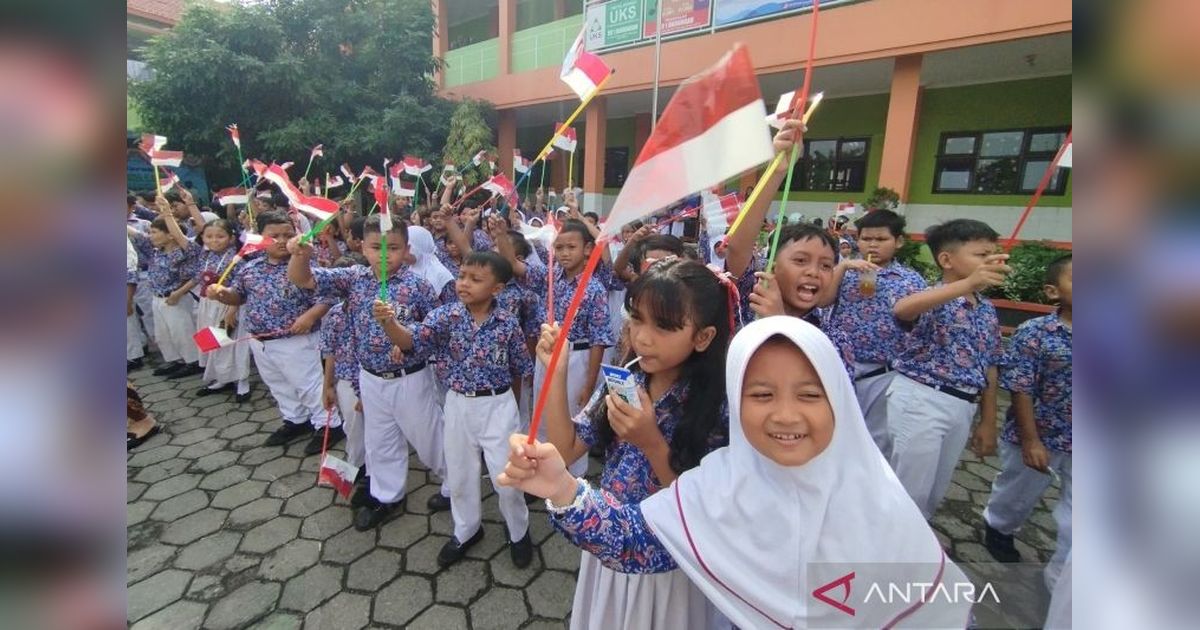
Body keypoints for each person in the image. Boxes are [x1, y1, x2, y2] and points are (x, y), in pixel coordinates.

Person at [499, 317, 972, 629]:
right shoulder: (720, 483)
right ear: (736, 402)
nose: (786, 416)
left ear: (842, 401)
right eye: (762, 395)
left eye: (810, 395)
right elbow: (637, 541)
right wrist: (561, 487)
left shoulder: (884, 505)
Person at [537, 258, 735, 629]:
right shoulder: (625, 378)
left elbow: (701, 510)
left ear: (703, 337)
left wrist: (651, 442)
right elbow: (565, 451)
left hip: (666, 562)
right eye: (637, 317)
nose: (642, 337)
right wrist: (555, 373)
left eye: (664, 326)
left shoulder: (717, 406)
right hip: (608, 543)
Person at [287, 215, 452, 531]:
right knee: (380, 441)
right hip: (370, 377)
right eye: (376, 247)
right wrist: (300, 255)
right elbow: (303, 280)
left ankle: (453, 484)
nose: (385, 255)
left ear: (406, 250)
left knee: (429, 438)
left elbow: (435, 329)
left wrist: (408, 340)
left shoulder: (418, 286)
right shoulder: (353, 279)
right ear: (362, 247)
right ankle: (387, 495)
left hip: (410, 376)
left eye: (394, 247)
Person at [385, 251, 536, 568]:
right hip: (457, 404)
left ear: (496, 288)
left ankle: (518, 531)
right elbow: (410, 341)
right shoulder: (444, 317)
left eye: (475, 279)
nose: (464, 284)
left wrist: (514, 412)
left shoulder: (507, 323)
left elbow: (520, 368)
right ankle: (467, 529)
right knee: (461, 473)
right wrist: (389, 323)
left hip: (498, 405)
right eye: (462, 276)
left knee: (506, 478)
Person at [887, 219, 1010, 518]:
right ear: (946, 260)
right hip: (922, 399)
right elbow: (903, 309)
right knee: (909, 489)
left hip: (963, 405)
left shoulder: (985, 308)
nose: (990, 261)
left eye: (993, 254)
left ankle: (917, 547)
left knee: (934, 490)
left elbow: (991, 365)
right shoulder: (934, 297)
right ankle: (890, 552)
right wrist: (965, 285)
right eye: (981, 255)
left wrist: (988, 420)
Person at [207, 210, 343, 452]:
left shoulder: (305, 265)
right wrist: (223, 294)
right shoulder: (250, 268)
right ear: (261, 237)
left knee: (308, 384)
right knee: (278, 383)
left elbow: (329, 296)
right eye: (274, 235)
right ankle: (295, 419)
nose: (281, 240)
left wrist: (309, 316)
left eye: (287, 234)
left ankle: (328, 425)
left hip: (297, 338)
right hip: (260, 339)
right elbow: (239, 296)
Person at [982, 254, 1072, 590]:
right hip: (1039, 434)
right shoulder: (1035, 333)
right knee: (1017, 493)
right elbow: (1021, 388)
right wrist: (1031, 440)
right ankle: (999, 525)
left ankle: (1061, 586)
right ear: (1052, 291)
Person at [822, 209, 927, 457]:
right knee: (833, 428)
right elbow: (823, 300)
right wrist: (844, 266)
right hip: (841, 364)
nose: (873, 244)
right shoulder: (844, 271)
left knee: (876, 438)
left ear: (898, 241)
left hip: (885, 371)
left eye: (881, 239)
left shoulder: (910, 280)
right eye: (866, 238)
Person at [524, 220, 615, 474]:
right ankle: (544, 470)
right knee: (543, 412)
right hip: (548, 353)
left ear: (587, 249)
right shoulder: (553, 278)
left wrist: (589, 385)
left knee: (570, 415)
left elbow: (599, 339)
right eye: (559, 247)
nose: (564, 253)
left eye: (571, 247)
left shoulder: (593, 288)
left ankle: (572, 478)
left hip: (576, 358)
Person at [127, 195, 203, 379]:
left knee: (182, 333)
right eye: (150, 232)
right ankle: (175, 360)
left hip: (176, 298)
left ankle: (193, 362)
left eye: (155, 232)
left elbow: (196, 275)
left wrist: (167, 213)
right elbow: (134, 234)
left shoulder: (185, 252)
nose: (150, 236)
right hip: (158, 298)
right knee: (164, 334)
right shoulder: (154, 251)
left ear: (169, 234)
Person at [321, 253, 369, 506]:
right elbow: (330, 352)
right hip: (346, 380)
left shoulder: (378, 310)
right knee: (353, 427)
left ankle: (375, 475)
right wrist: (328, 385)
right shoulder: (336, 315)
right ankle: (356, 466)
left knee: (378, 431)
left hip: (373, 379)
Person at [192, 219, 252, 403]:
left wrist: (232, 310)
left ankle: (242, 381)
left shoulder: (236, 259)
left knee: (233, 343)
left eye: (220, 236)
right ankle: (221, 378)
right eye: (208, 236)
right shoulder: (205, 256)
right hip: (207, 304)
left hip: (229, 305)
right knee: (213, 342)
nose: (214, 240)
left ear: (231, 238)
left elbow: (241, 289)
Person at [406, 225, 457, 304]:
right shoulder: (407, 269)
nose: (401, 253)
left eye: (407, 248)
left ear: (417, 248)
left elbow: (452, 307)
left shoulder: (441, 275)